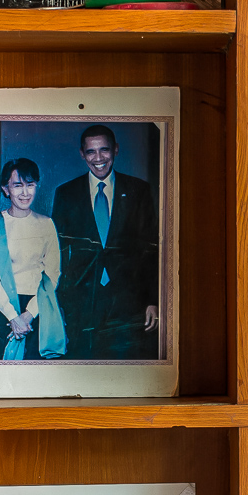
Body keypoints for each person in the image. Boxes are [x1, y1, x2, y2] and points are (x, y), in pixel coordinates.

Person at [51, 125, 159, 360]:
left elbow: (150, 249)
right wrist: (60, 303)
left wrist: (153, 300)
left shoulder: (139, 190)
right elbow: (57, 253)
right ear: (82, 154)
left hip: (129, 300)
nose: (98, 158)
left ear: (116, 150)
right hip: (81, 301)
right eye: (91, 151)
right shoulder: (66, 193)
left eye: (104, 150)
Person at [0, 158, 65, 361]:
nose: (25, 193)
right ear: (6, 189)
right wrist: (13, 317)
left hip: (39, 309)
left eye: (30, 185)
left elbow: (53, 274)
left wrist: (28, 315)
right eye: (17, 185)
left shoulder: (46, 223)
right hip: (2, 309)